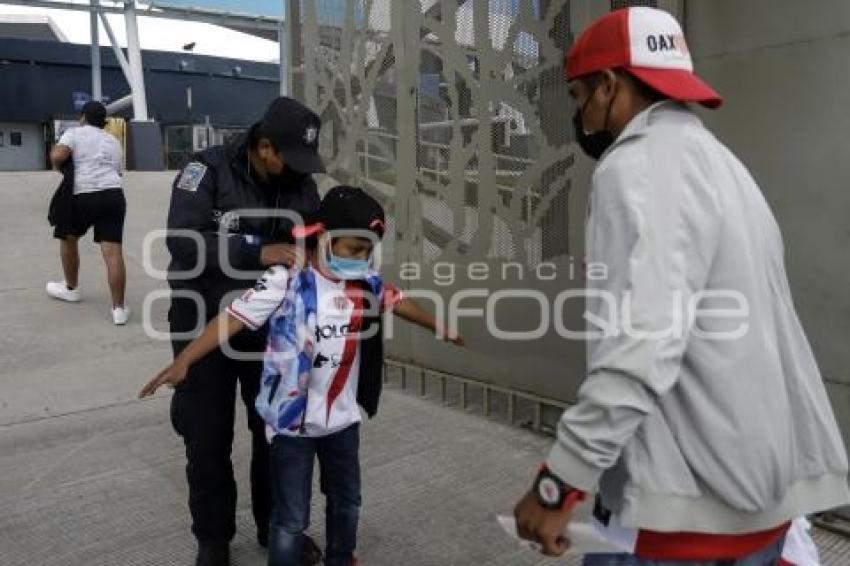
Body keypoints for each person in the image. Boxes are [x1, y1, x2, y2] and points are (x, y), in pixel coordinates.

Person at [513, 7, 850, 565]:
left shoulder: (635, 167)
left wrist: (559, 481)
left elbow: (641, 343)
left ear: (609, 85)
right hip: (759, 495)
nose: (580, 115)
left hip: (682, 510)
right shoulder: (724, 166)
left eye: (577, 98)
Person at [141, 186, 464, 566]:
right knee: (291, 519)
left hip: (342, 423)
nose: (360, 260)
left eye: (367, 252)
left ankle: (341, 558)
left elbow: (396, 299)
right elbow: (232, 319)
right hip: (292, 428)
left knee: (347, 503)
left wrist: (438, 325)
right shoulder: (285, 280)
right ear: (323, 236)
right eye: (352, 249)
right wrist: (186, 360)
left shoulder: (364, 282)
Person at [165, 97, 325, 566]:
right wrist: (258, 250)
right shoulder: (206, 169)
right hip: (204, 317)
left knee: (274, 433)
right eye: (290, 159)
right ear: (265, 146)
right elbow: (182, 239)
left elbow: (314, 240)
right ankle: (213, 538)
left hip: (272, 326)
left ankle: (276, 527)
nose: (298, 171)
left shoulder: (299, 183)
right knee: (207, 437)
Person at [47, 101, 129, 325]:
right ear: (103, 121)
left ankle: (71, 288)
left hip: (82, 194)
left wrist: (56, 158)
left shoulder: (74, 133)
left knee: (68, 238)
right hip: (113, 194)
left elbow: (58, 157)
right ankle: (119, 310)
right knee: (113, 252)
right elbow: (117, 172)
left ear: (82, 117)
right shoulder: (113, 141)